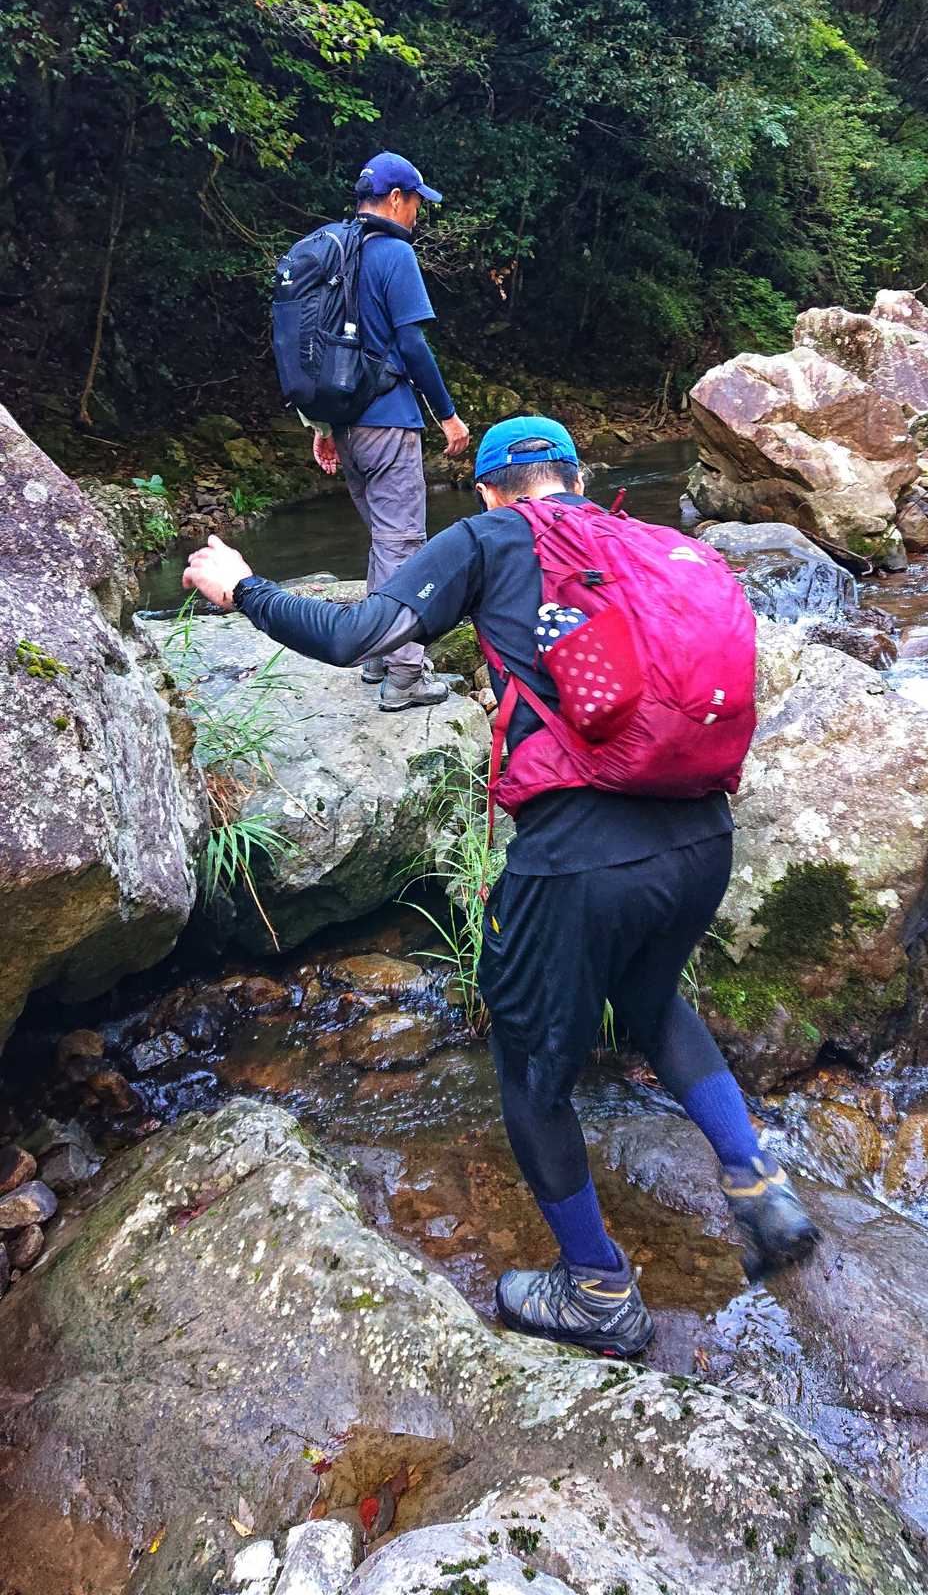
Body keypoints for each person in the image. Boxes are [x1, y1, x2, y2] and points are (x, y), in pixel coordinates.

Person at [183, 415, 819, 1359]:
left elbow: (359, 634)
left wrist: (243, 586)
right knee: (651, 1000)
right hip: (700, 839)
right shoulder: (652, 545)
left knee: (527, 1070)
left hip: (579, 861)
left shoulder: (489, 538)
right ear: (577, 476)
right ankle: (757, 1183)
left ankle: (598, 1291)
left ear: (486, 490)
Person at [310, 150, 471, 712]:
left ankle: (376, 654)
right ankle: (405, 674)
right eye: (417, 203)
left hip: (346, 424)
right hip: (389, 421)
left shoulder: (334, 251)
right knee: (404, 545)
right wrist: (446, 413)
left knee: (384, 539)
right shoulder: (393, 253)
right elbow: (411, 344)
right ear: (396, 198)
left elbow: (320, 347)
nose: (418, 214)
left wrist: (324, 425)